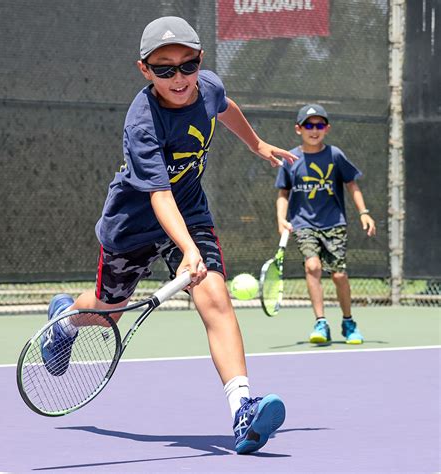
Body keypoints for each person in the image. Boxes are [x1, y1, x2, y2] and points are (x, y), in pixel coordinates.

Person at [40, 16, 297, 454]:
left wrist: (256, 144)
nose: (178, 77)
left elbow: (224, 105)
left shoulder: (207, 85)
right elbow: (159, 196)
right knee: (108, 311)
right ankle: (63, 323)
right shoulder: (142, 123)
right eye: (164, 69)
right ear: (145, 70)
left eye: (187, 64)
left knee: (215, 297)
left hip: (192, 212)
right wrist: (187, 249)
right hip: (132, 226)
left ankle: (243, 410)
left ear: (200, 61)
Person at [275, 104, 376, 345]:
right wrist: (281, 219)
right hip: (303, 224)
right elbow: (283, 193)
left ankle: (348, 321)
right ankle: (320, 322)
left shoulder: (335, 155)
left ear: (327, 129)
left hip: (334, 224)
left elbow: (352, 184)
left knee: (339, 275)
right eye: (309, 125)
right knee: (312, 267)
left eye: (319, 125)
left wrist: (364, 212)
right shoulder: (291, 159)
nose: (314, 130)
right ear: (298, 129)